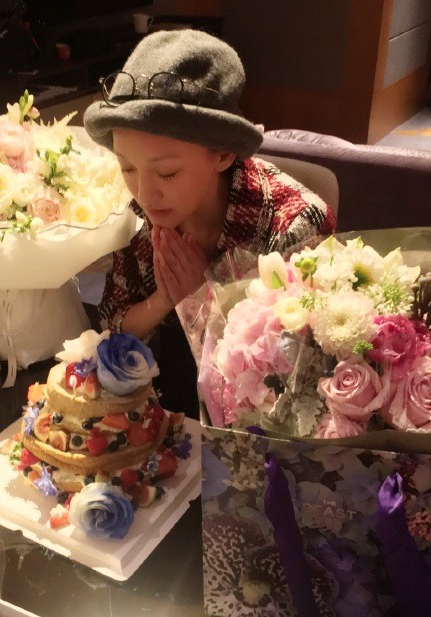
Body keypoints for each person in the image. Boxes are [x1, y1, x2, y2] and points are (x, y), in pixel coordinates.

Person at [83, 29, 336, 419]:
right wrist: (165, 300)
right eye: (127, 167)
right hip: (160, 407)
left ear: (222, 154)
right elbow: (112, 323)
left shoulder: (295, 223)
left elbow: (297, 375)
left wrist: (202, 301)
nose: (145, 194)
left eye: (167, 173)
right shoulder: (136, 216)